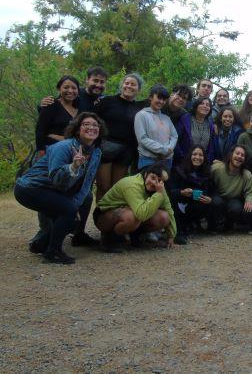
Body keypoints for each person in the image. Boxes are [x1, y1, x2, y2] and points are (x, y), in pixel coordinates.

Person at [15, 113, 105, 263]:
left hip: (52, 190)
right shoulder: (63, 147)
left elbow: (86, 184)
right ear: (77, 130)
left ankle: (40, 245)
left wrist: (74, 206)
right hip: (30, 188)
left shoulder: (96, 153)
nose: (91, 127)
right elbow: (56, 179)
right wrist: (73, 166)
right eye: (86, 124)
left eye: (95, 125)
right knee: (68, 211)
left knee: (72, 216)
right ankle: (53, 253)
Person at [94, 163, 177, 251]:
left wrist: (171, 236)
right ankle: (109, 240)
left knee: (164, 217)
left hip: (128, 212)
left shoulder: (160, 189)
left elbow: (168, 210)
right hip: (103, 215)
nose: (154, 183)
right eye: (152, 178)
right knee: (132, 217)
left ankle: (136, 237)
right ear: (146, 175)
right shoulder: (133, 184)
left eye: (159, 180)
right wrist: (158, 195)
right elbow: (141, 214)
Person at [93, 73, 144, 200]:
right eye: (127, 83)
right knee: (103, 186)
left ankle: (110, 218)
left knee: (116, 189)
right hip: (105, 148)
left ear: (139, 89)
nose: (129, 86)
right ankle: (99, 216)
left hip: (125, 151)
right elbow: (92, 119)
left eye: (133, 84)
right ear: (122, 85)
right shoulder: (107, 101)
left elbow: (159, 101)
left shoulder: (139, 108)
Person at [167, 145, 212, 245]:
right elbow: (169, 192)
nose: (197, 157)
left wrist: (208, 199)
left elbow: (208, 191)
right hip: (178, 202)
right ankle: (177, 232)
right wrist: (181, 192)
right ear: (189, 156)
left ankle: (190, 225)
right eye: (194, 154)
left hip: (192, 204)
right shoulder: (178, 171)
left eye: (201, 155)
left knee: (206, 205)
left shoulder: (205, 173)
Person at [209, 145, 252, 231]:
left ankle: (229, 224)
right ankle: (213, 225)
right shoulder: (217, 168)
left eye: (242, 155)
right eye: (237, 153)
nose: (239, 156)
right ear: (231, 155)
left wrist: (250, 200)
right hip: (218, 196)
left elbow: (250, 191)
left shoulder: (247, 174)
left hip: (233, 199)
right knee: (216, 202)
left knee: (236, 207)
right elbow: (206, 179)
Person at [134, 84, 178, 170]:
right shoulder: (141, 115)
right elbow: (142, 139)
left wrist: (169, 148)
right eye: (159, 98)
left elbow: (174, 136)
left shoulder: (166, 118)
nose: (161, 102)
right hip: (148, 160)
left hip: (167, 161)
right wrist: (163, 150)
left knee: (163, 183)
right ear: (150, 97)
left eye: (164, 99)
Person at [35, 75, 80, 154]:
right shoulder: (51, 104)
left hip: (71, 152)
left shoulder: (79, 109)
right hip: (51, 150)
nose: (70, 91)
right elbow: (40, 129)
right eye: (66, 87)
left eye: (74, 88)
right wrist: (40, 151)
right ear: (59, 89)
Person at [40, 66, 107, 112]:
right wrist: (42, 105)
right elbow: (54, 107)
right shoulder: (74, 93)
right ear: (87, 80)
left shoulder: (105, 100)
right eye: (95, 81)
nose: (98, 85)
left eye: (102, 82)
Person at [175, 97, 216, 165]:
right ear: (196, 105)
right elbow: (176, 139)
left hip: (202, 163)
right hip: (184, 161)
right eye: (202, 103)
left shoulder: (210, 124)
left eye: (207, 105)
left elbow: (211, 147)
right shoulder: (185, 119)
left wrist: (207, 160)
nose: (205, 106)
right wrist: (181, 156)